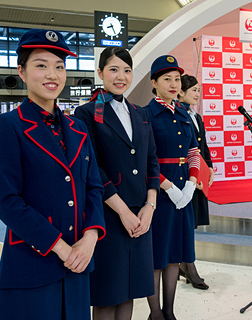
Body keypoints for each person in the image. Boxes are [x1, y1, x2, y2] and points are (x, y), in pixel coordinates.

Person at [0, 29, 106, 320]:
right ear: (22, 72)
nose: (52, 74)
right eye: (41, 65)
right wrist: (63, 249)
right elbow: (7, 202)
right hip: (32, 263)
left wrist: (90, 238)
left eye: (59, 66)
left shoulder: (78, 128)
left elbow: (93, 187)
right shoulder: (7, 126)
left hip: (79, 262)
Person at [74, 47, 160, 320]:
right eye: (113, 69)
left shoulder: (141, 112)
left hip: (141, 215)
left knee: (132, 289)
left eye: (126, 70)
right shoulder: (87, 113)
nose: (121, 76)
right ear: (100, 73)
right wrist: (123, 211)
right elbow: (91, 167)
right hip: (108, 214)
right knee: (107, 292)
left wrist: (150, 205)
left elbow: (152, 160)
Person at [145, 55, 200, 320]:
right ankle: (155, 313)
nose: (173, 84)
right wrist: (169, 187)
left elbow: (193, 151)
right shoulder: (146, 115)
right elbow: (145, 159)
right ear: (154, 83)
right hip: (160, 192)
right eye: (166, 79)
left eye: (177, 79)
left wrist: (190, 184)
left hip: (183, 192)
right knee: (158, 254)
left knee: (175, 254)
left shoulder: (183, 112)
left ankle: (170, 311)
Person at [177, 74, 214, 290]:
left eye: (199, 90)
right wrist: (194, 176)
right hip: (186, 178)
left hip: (198, 175)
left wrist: (209, 169)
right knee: (186, 225)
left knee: (191, 224)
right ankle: (189, 267)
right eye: (194, 90)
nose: (197, 94)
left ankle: (185, 265)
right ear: (180, 92)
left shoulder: (196, 116)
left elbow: (203, 147)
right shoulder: (178, 114)